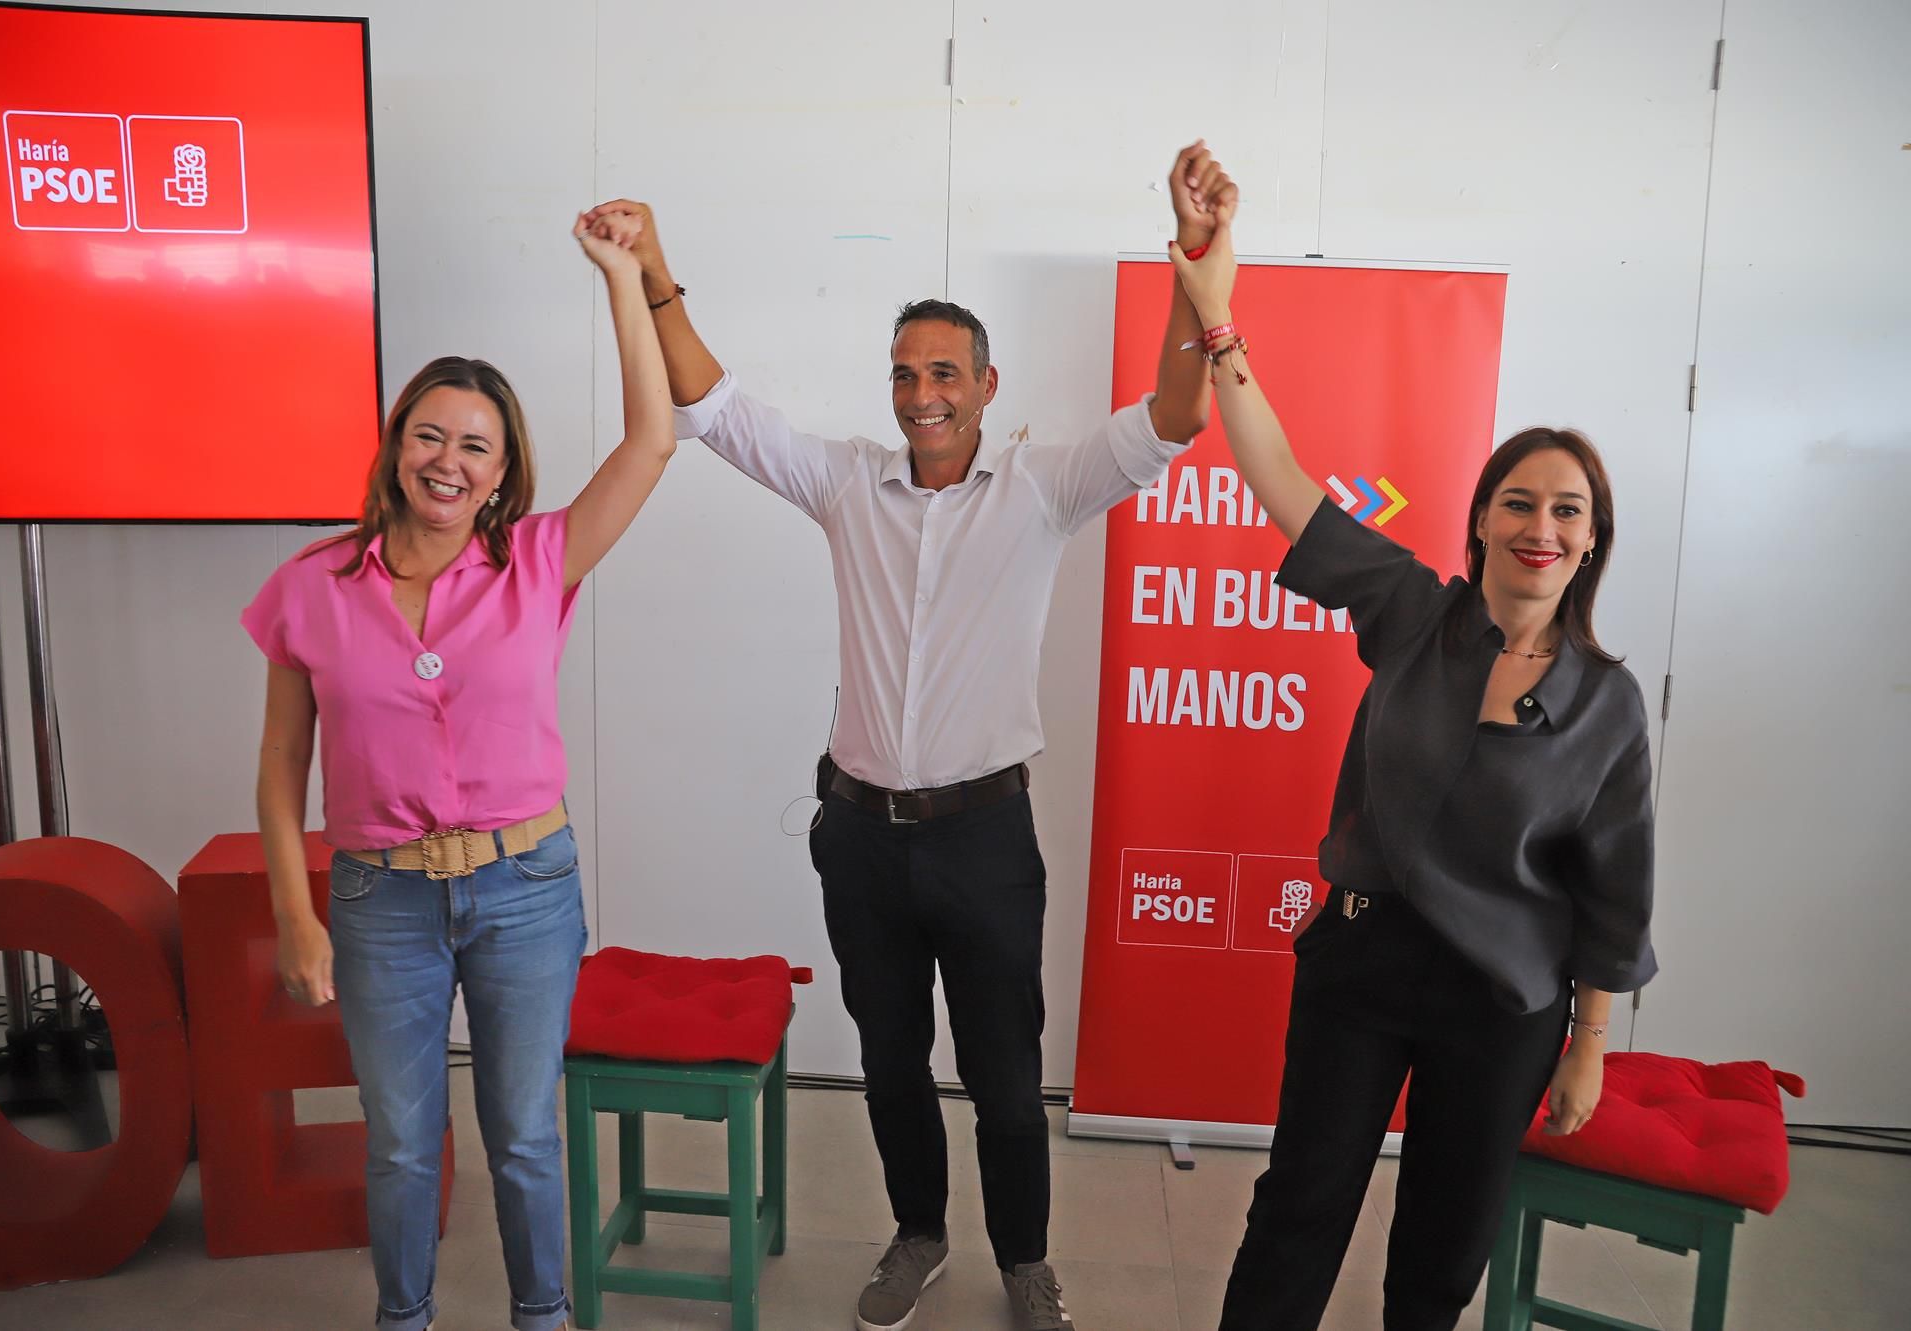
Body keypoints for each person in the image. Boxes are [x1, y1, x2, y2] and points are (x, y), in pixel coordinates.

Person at [577, 142, 1226, 1331]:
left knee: (1002, 1077)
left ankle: (1024, 1261)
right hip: (861, 837)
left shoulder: (1044, 487)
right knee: (887, 1059)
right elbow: (708, 405)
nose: (919, 392)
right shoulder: (844, 483)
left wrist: (1194, 265)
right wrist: (656, 267)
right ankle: (918, 1232)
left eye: (943, 371)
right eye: (901, 372)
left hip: (983, 838)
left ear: (986, 384)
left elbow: (1178, 413)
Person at [1163, 152, 1659, 1331]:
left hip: (1505, 997)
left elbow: (1614, 897)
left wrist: (1587, 1045)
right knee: (1299, 1206)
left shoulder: (1606, 702)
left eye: (1567, 510)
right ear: (1481, 514)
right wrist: (1213, 306)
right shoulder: (1412, 609)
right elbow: (1275, 473)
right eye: (1520, 502)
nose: (1540, 526)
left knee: (1441, 1242)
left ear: (1590, 541)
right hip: (1361, 963)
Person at [244, 210, 671, 1331]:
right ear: (395, 445)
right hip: (380, 897)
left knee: (524, 1132)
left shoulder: (538, 560)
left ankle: (543, 1314)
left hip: (524, 888)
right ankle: (405, 1317)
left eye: (475, 446)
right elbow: (283, 767)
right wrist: (297, 913)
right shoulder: (311, 584)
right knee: (400, 1140)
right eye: (430, 435)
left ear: (500, 474)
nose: (448, 460)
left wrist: (624, 280)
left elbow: (651, 443)